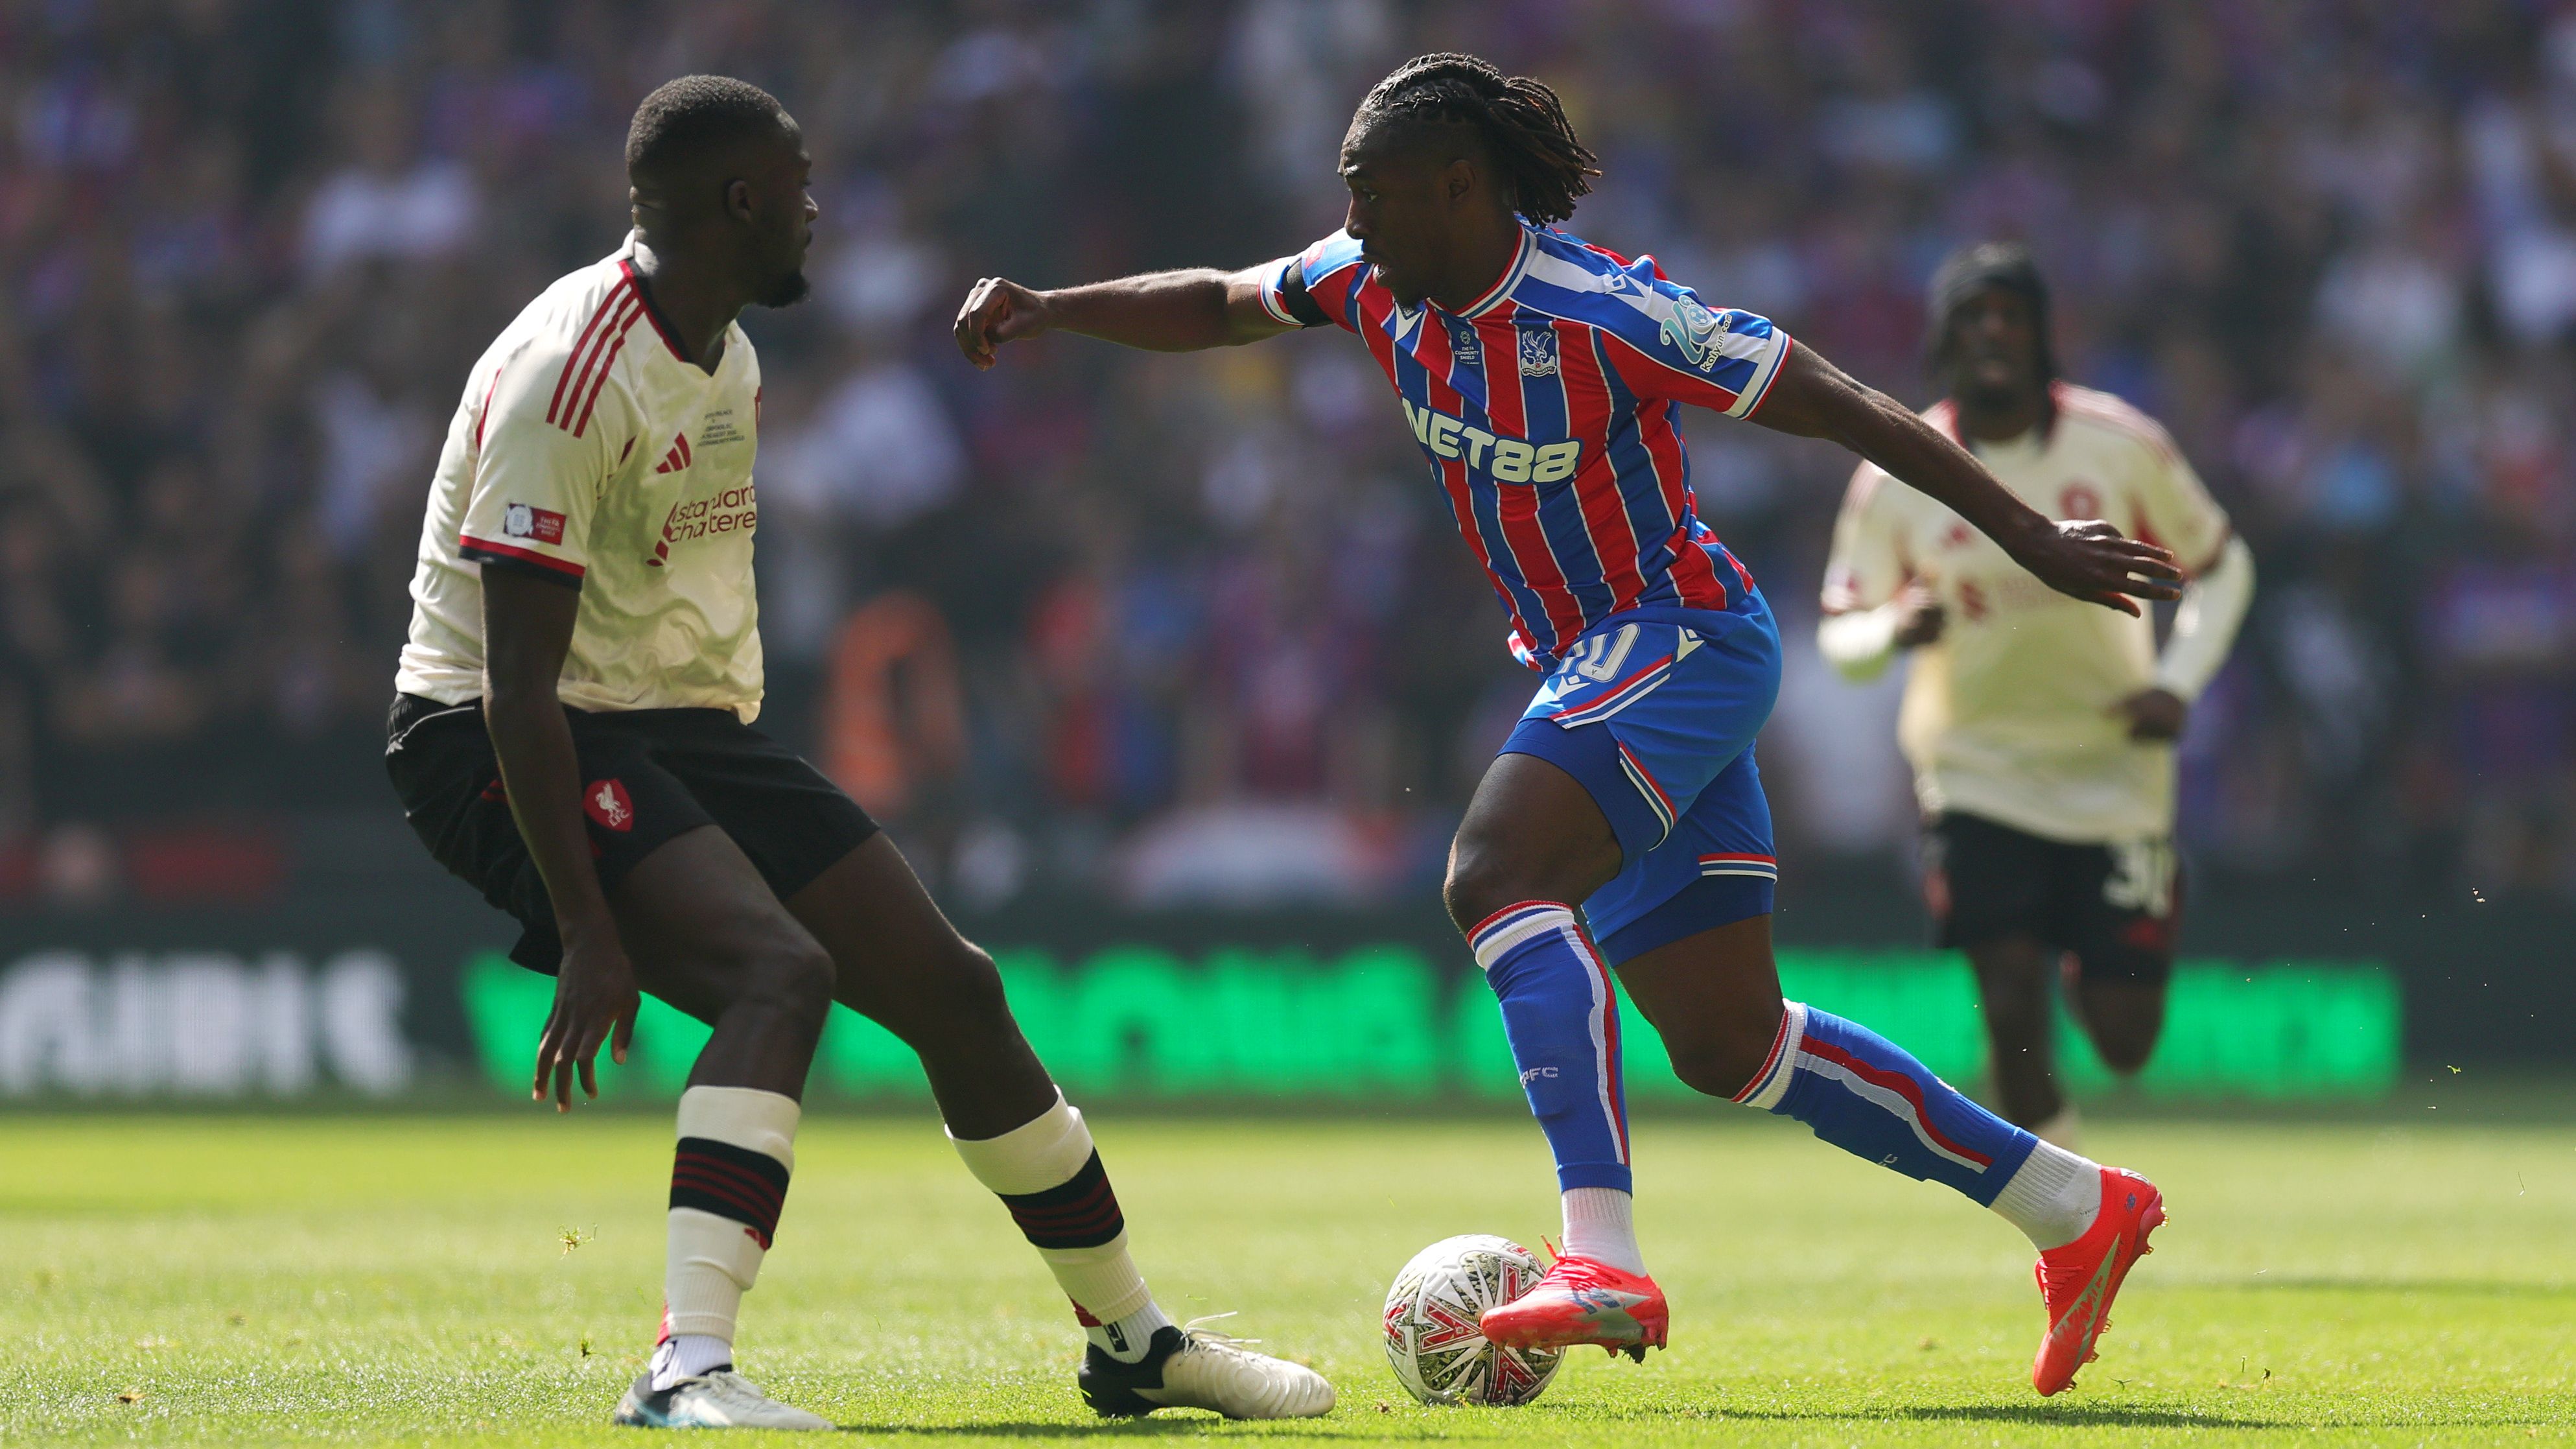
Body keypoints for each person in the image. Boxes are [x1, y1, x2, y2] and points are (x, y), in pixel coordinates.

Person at [954, 53, 2181, 1396]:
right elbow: (1221, 300)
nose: (1352, 227)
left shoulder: (1606, 312)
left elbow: (1849, 404)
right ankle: (2073, 1203)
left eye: (1373, 200)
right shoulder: (1370, 280)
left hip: (1681, 634)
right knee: (1733, 1044)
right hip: (1593, 657)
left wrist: (2026, 540)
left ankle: (1600, 1249)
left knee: (1491, 874)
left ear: (1460, 187)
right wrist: (1054, 308)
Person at [384, 75, 1331, 1430]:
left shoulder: (729, 350)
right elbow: (518, 680)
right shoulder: (572, 371)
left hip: (671, 722)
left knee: (956, 989)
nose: (819, 210)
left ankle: (1132, 1339)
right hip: (494, 727)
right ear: (742, 200)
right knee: (780, 974)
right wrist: (587, 921)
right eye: (802, 184)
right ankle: (683, 1371)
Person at [1820, 245, 2254, 1146]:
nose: (1991, 332)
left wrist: (2176, 683)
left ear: (2042, 336)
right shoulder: (1898, 472)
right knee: (2008, 1003)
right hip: (1976, 773)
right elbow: (1842, 635)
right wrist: (1892, 629)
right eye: (1972, 316)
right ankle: (2068, 1200)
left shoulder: (2119, 445)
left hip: (2113, 770)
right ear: (1942, 339)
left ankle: (2080, 953)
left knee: (2125, 1040)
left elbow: (2223, 564)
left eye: (2009, 314)